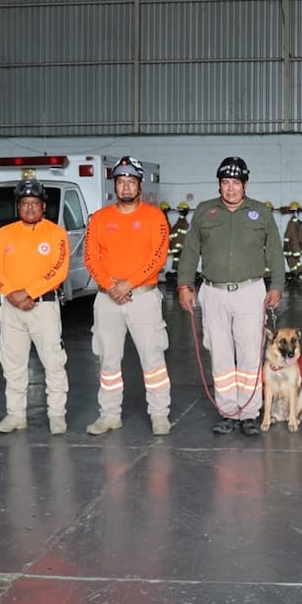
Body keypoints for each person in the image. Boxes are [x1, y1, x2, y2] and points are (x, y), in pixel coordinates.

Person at [177, 156, 286, 437]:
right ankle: (228, 412)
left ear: (245, 184)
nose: (230, 188)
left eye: (236, 183)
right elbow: (190, 251)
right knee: (221, 354)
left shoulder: (260, 213)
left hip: (250, 292)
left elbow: (274, 251)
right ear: (219, 185)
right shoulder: (204, 212)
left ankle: (249, 413)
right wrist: (184, 285)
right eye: (225, 183)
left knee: (250, 353)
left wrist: (276, 285)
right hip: (213, 292)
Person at [84, 156, 172, 436]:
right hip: (107, 299)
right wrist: (111, 286)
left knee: (153, 359)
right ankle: (109, 415)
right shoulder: (100, 218)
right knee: (108, 360)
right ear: (115, 186)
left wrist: (129, 283)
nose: (125, 187)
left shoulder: (154, 217)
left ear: (139, 185)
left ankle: (159, 415)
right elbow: (90, 256)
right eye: (120, 182)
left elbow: (158, 256)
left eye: (130, 182)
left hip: (143, 298)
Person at [0, 179, 71, 435]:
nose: (30, 208)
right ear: (18, 207)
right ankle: (15, 415)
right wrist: (12, 294)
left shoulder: (55, 233)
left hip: (43, 308)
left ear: (44, 206)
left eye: (35, 203)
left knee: (53, 363)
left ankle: (57, 416)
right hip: (12, 309)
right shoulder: (5, 233)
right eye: (25, 203)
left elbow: (59, 270)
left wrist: (29, 292)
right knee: (12, 364)